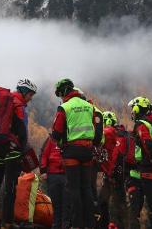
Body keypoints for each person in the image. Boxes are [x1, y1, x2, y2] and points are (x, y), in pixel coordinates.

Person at [0, 79, 38, 229]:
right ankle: (7, 223)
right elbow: (22, 132)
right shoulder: (18, 105)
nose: (31, 98)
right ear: (24, 92)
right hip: (12, 150)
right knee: (10, 187)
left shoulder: (3, 101)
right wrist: (23, 149)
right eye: (30, 95)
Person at [51, 79, 103, 229]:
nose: (60, 98)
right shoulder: (89, 106)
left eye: (60, 94)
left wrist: (58, 140)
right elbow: (97, 131)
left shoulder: (64, 107)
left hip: (71, 152)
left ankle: (77, 224)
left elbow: (56, 133)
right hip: (87, 151)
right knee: (86, 188)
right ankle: (90, 224)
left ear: (64, 92)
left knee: (73, 189)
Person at [126, 96, 152, 229]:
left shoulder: (142, 124)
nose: (132, 111)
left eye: (133, 108)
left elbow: (147, 143)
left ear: (138, 108)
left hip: (148, 168)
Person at [97, 111, 127, 229]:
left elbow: (113, 155)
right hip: (120, 174)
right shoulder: (120, 134)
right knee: (119, 204)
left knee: (103, 203)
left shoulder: (109, 133)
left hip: (112, 175)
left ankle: (104, 225)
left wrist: (109, 172)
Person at [41, 134, 68, 229]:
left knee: (66, 203)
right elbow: (44, 155)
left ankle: (65, 225)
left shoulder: (69, 138)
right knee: (55, 203)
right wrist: (43, 171)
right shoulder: (51, 140)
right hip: (52, 175)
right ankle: (56, 225)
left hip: (66, 175)